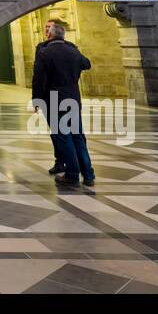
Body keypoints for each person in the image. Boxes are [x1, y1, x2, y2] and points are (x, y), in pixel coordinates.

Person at [31, 18, 95, 188]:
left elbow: (39, 79)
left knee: (63, 137)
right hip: (73, 96)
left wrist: (36, 99)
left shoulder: (45, 53)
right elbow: (86, 64)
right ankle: (88, 174)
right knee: (78, 136)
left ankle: (72, 174)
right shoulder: (73, 50)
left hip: (54, 98)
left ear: (50, 35)